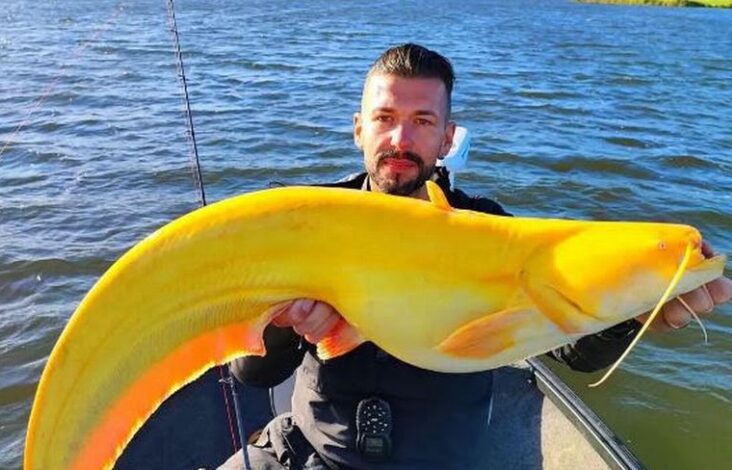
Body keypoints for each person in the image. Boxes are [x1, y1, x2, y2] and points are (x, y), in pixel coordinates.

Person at [220, 44, 732, 469]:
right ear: (359, 129)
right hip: (310, 451)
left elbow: (570, 351)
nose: (400, 139)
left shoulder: (490, 229)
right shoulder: (308, 222)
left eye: (422, 121)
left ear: (447, 138)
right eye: (384, 118)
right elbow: (251, 374)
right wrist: (286, 326)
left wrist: (631, 312)